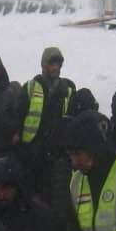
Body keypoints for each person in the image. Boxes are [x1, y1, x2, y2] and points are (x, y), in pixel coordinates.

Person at [17, 47, 76, 203]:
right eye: (52, 64)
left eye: (58, 64)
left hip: (56, 152)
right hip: (32, 149)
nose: (55, 67)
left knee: (54, 194)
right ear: (43, 65)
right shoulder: (31, 87)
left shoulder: (67, 90)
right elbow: (19, 115)